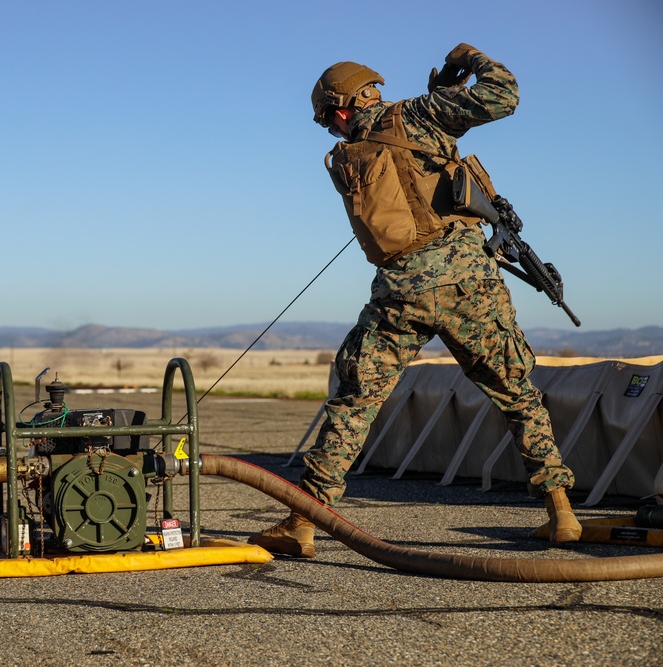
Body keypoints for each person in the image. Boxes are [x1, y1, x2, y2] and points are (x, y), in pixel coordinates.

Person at [248, 43, 581, 558]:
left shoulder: (346, 156)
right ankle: (561, 512)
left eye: (328, 120)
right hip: (470, 285)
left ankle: (303, 522)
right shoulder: (421, 114)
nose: (331, 130)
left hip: (401, 290)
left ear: (342, 108)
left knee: (354, 402)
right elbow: (504, 96)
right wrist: (473, 61)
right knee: (517, 394)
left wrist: (445, 90)